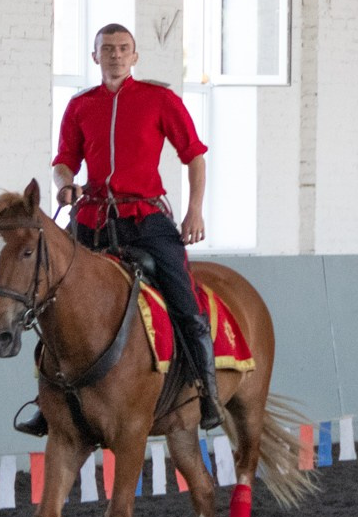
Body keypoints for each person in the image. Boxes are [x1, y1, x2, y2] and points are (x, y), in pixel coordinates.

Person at [29, 23, 219, 436]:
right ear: (94, 57)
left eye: (123, 48)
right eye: (107, 49)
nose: (115, 55)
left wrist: (195, 211)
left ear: (135, 57)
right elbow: (64, 161)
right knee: (50, 298)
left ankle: (207, 389)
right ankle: (49, 403)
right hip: (92, 218)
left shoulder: (160, 99)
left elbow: (195, 156)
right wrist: (65, 187)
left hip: (146, 217)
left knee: (185, 300)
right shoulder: (80, 106)